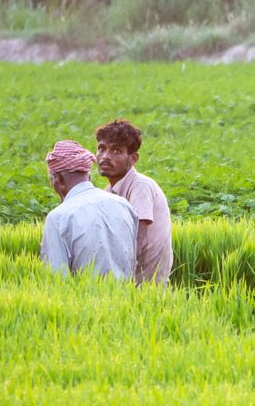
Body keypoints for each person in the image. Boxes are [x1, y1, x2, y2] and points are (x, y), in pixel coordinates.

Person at [40, 140, 138, 279]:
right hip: (127, 299)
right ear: (89, 176)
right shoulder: (124, 205)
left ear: (59, 180)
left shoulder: (58, 217)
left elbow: (56, 278)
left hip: (84, 299)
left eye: (52, 180)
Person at [96, 119, 173, 285]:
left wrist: (118, 276)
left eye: (116, 151)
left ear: (133, 158)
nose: (105, 157)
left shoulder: (140, 185)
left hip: (147, 286)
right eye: (101, 149)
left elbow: (140, 235)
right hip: (130, 284)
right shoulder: (107, 192)